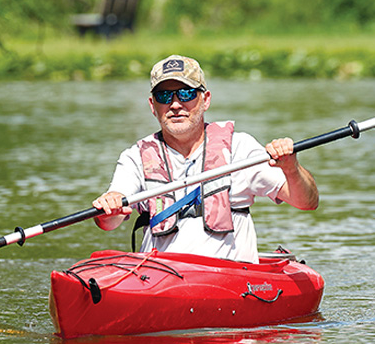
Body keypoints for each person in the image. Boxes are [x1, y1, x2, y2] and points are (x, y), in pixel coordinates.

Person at [92, 55, 319, 263]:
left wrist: (291, 168)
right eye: (164, 96)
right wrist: (109, 208)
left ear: (206, 100)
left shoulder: (240, 148)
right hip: (160, 280)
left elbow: (306, 202)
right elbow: (108, 223)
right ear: (153, 105)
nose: (175, 104)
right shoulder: (135, 157)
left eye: (187, 93)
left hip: (228, 280)